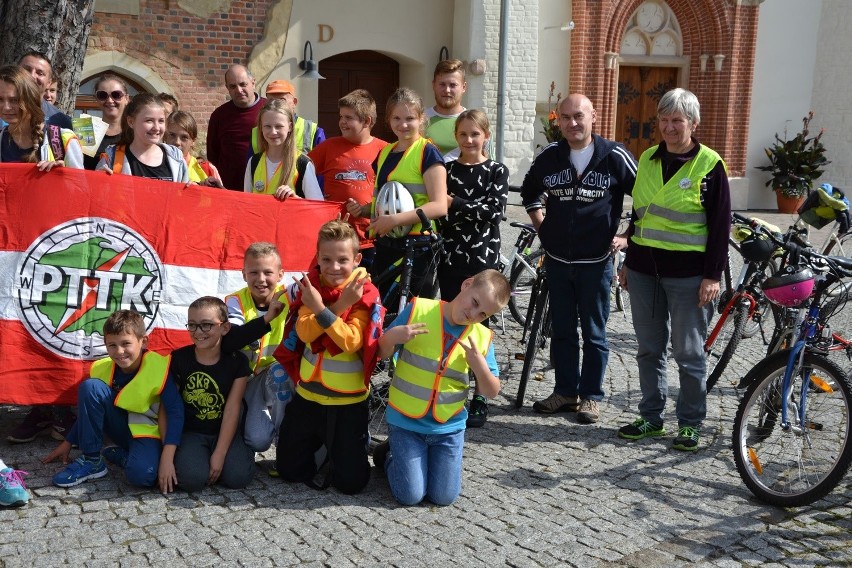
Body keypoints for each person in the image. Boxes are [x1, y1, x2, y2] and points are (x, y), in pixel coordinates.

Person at [617, 88, 731, 452]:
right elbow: (639, 216)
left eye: (677, 120)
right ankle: (651, 417)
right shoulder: (648, 157)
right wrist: (628, 263)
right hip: (644, 271)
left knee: (689, 352)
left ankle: (690, 423)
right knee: (649, 349)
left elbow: (719, 226)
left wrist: (713, 276)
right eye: (664, 120)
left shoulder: (710, 165)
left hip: (689, 276)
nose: (669, 127)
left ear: (693, 124)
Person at [521, 94, 637, 424]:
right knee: (562, 331)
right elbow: (530, 192)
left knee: (595, 333)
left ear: (593, 117)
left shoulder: (614, 156)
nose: (573, 123)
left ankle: (591, 397)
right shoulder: (551, 157)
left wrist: (628, 237)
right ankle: (565, 392)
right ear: (558, 121)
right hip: (558, 260)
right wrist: (543, 227)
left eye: (579, 116)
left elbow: (645, 195)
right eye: (566, 117)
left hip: (596, 262)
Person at [373, 269, 510, 505]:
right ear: (466, 284)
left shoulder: (482, 337)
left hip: (448, 430)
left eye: (483, 314)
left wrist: (480, 367)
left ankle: (418, 461)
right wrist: (393, 337)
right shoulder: (419, 310)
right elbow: (380, 352)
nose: (473, 314)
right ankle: (387, 456)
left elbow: (491, 391)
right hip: (407, 423)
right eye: (475, 302)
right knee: (410, 496)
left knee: (443, 497)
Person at [274, 220, 381, 494]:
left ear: (357, 259)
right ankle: (324, 447)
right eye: (326, 259)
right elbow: (306, 332)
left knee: (351, 485)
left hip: (349, 400)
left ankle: (345, 447)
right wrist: (340, 304)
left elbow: (351, 341)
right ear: (317, 257)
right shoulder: (311, 286)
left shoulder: (366, 292)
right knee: (290, 473)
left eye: (343, 260)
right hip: (308, 395)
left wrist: (323, 307)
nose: (334, 267)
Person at [42, 310, 185, 488]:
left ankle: (124, 456)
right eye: (112, 345)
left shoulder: (159, 367)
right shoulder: (102, 368)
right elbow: (90, 411)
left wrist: (167, 456)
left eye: (126, 343)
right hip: (119, 427)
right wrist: (69, 441)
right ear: (105, 344)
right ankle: (92, 460)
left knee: (143, 478)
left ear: (143, 341)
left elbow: (175, 413)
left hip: (147, 431)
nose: (119, 352)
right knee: (91, 387)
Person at [439, 109, 509, 428]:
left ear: (486, 136)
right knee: (454, 317)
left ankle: (481, 394)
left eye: (475, 134)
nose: (469, 140)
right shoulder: (446, 169)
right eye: (463, 134)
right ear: (456, 136)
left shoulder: (496, 170)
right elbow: (442, 212)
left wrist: (457, 205)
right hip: (451, 255)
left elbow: (493, 213)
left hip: (482, 257)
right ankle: (449, 385)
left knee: (481, 326)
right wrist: (460, 208)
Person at [345, 87, 448, 300]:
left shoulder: (428, 152)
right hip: (387, 244)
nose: (403, 125)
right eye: (397, 118)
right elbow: (387, 200)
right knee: (381, 307)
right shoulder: (385, 152)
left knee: (412, 312)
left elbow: (439, 206)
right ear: (388, 120)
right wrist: (364, 210)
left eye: (410, 118)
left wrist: (394, 220)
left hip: (418, 247)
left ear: (421, 119)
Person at [166, 297, 255, 493]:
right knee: (191, 481)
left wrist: (220, 454)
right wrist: (167, 454)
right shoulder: (179, 359)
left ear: (224, 328)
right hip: (191, 432)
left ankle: (239, 454)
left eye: (206, 325)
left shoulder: (237, 362)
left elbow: (233, 408)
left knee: (238, 478)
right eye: (192, 325)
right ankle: (198, 457)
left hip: (224, 431)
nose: (198, 332)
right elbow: (171, 408)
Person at [225, 242, 293, 452]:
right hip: (249, 380)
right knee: (258, 441)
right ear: (244, 274)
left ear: (281, 274)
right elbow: (233, 338)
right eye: (254, 272)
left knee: (279, 372)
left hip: (280, 374)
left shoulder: (288, 295)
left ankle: (287, 444)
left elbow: (316, 281)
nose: (261, 279)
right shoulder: (235, 301)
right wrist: (267, 319)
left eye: (268, 272)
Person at [309, 89, 388, 268]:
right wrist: (316, 200)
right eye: (341, 116)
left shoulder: (385, 150)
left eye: (348, 118)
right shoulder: (328, 147)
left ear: (367, 121)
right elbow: (299, 172)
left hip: (369, 241)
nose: (342, 122)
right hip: (332, 241)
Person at [0, 65, 84, 170]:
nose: (6, 107)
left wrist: (62, 176)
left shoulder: (62, 139)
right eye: (0, 100)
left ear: (31, 99)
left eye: (14, 100)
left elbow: (80, 185)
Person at [96, 93, 189, 183]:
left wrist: (192, 187)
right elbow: (97, 196)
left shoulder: (175, 158)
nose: (156, 127)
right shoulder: (112, 159)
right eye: (149, 121)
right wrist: (99, 182)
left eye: (161, 121)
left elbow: (184, 196)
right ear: (131, 122)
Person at [244, 99, 322, 200]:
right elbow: (246, 202)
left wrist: (296, 199)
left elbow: (318, 208)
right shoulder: (253, 162)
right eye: (267, 126)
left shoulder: (302, 164)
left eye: (279, 126)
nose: (273, 132)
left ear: (289, 127)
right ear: (261, 128)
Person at [207, 65, 266, 190]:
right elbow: (213, 155)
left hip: (263, 188)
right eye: (233, 86)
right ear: (227, 88)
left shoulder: (269, 110)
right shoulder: (219, 116)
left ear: (253, 83)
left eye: (243, 84)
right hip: (229, 190)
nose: (239, 90)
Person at [251, 80, 325, 155]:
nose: (276, 105)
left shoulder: (313, 131)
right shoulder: (256, 132)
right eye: (271, 101)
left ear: (294, 102)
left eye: (282, 100)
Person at [82, 74, 130, 170]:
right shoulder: (86, 128)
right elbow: (77, 165)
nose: (110, 100)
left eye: (116, 95)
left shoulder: (134, 132)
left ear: (126, 99)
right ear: (96, 99)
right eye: (102, 95)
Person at [165, 110, 224, 187]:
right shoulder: (153, 166)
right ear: (165, 136)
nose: (177, 142)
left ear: (193, 141)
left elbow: (221, 197)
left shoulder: (207, 169)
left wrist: (200, 190)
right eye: (172, 135)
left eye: (184, 137)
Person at [18, 51, 72, 130]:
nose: (32, 76)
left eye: (40, 73)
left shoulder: (60, 120)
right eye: (27, 70)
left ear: (49, 83)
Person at [425, 59, 467, 158]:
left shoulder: (475, 122)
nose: (447, 90)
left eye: (453, 85)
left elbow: (489, 165)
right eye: (442, 84)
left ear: (464, 87)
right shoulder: (420, 120)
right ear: (433, 85)